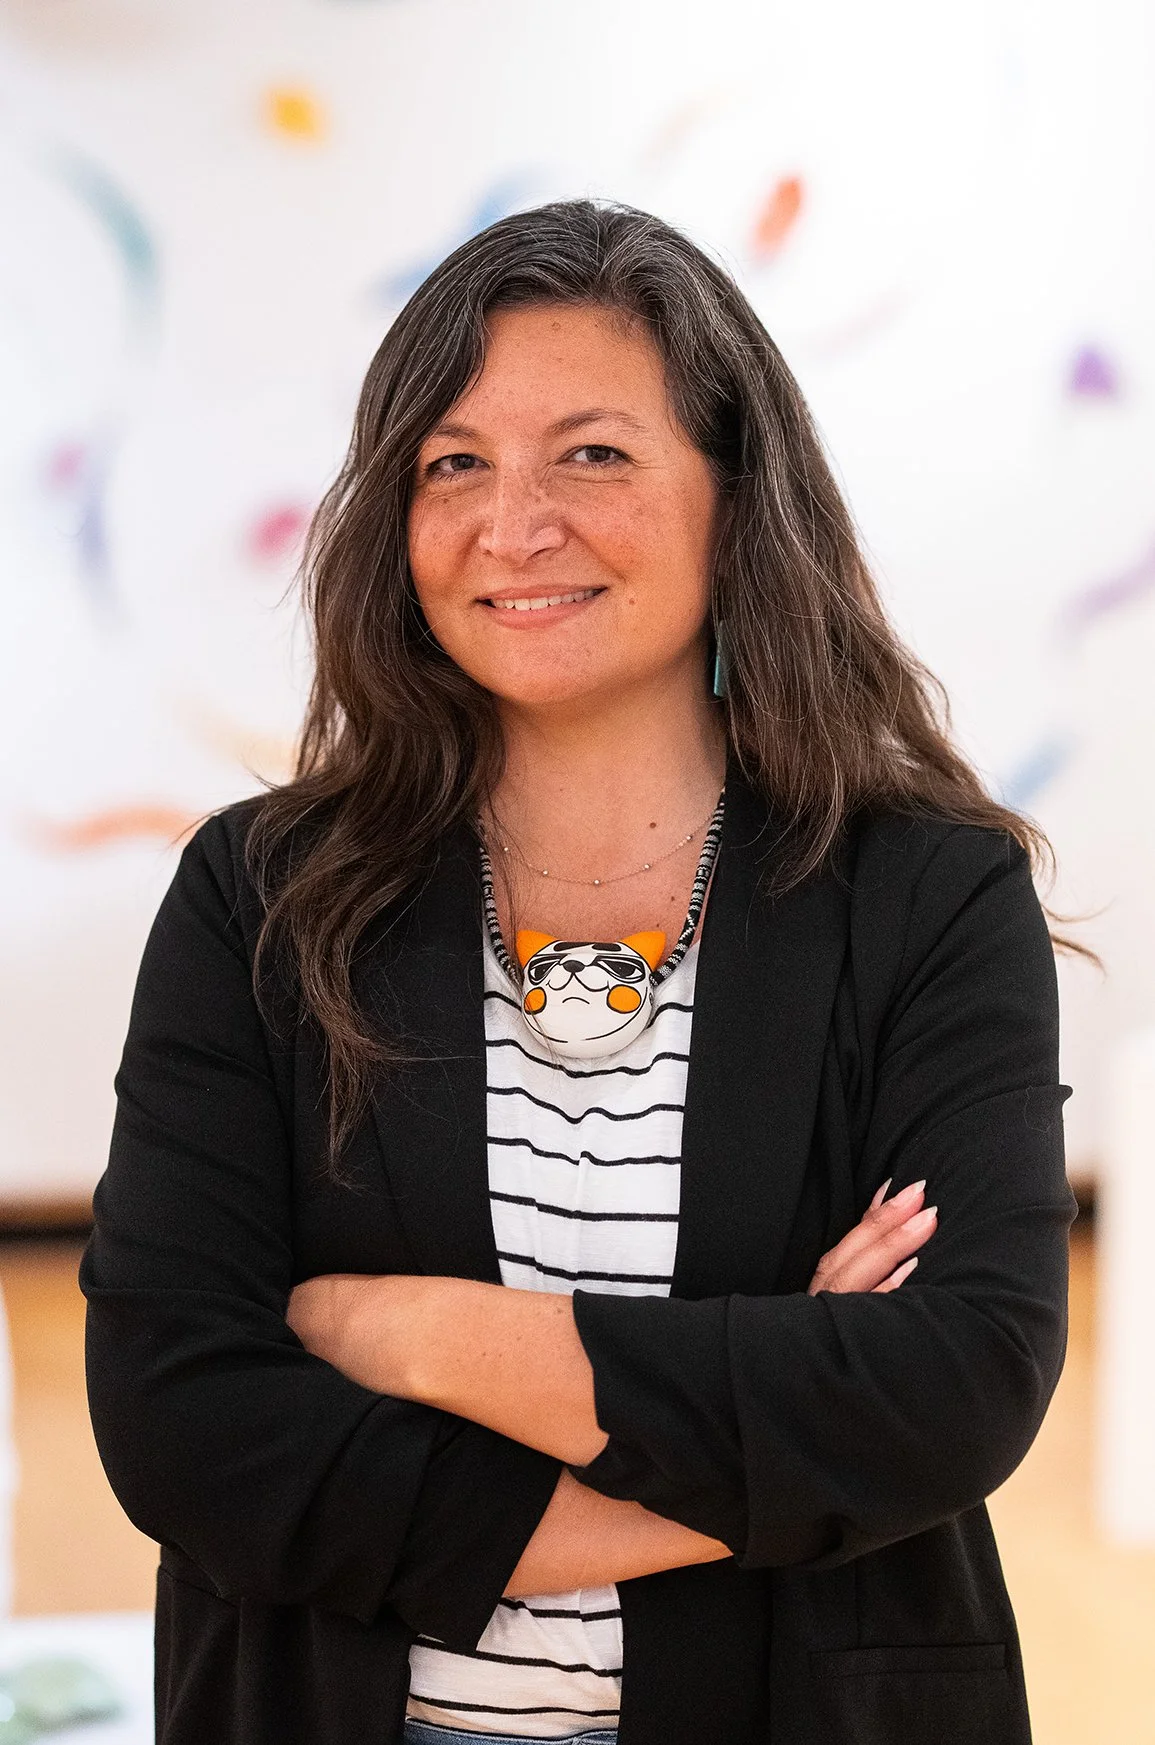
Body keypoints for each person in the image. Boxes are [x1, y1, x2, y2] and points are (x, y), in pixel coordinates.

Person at [81, 200, 1076, 1745]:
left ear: (736, 497)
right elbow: (186, 1428)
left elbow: (952, 1385)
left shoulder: (925, 893)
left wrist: (408, 1338)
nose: (512, 523)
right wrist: (760, 1442)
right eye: (452, 464)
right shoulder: (259, 897)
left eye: (593, 454)